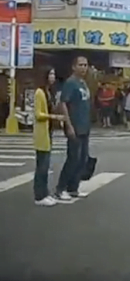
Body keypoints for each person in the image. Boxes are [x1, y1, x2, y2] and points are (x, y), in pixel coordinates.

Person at [53, 56, 92, 201]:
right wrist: (68, 125)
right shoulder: (70, 83)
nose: (83, 68)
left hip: (84, 127)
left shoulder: (83, 83)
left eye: (85, 65)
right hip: (74, 126)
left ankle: (73, 188)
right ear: (74, 67)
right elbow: (63, 103)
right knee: (73, 159)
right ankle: (60, 188)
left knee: (82, 159)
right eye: (80, 65)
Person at [33, 67, 67, 206]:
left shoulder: (48, 92)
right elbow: (38, 114)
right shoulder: (39, 92)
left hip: (48, 131)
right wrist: (54, 116)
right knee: (42, 165)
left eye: (54, 74)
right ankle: (39, 196)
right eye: (50, 74)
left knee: (45, 165)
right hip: (42, 133)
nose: (53, 76)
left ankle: (44, 193)